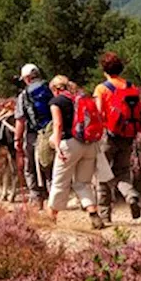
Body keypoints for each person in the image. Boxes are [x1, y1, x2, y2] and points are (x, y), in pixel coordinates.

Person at [93, 51, 141, 221]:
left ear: (104, 69)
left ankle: (105, 215)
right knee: (122, 172)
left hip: (108, 136)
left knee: (103, 174)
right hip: (128, 135)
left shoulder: (101, 89)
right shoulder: (131, 87)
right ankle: (130, 196)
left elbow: (99, 112)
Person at [45, 76, 103, 228]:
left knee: (59, 182)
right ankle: (93, 213)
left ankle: (51, 218)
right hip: (89, 144)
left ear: (56, 89)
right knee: (83, 183)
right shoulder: (80, 98)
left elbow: (57, 125)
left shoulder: (56, 102)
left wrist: (57, 147)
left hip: (70, 145)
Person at [13, 63, 54, 204]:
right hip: (52, 132)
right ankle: (53, 197)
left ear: (27, 78)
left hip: (33, 134)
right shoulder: (51, 88)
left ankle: (36, 197)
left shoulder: (24, 95)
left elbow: (20, 120)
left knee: (29, 166)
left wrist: (17, 140)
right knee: (49, 165)